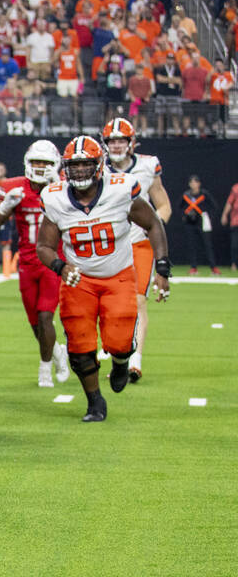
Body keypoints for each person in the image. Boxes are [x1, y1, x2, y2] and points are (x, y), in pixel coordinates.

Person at [36, 137, 171, 422]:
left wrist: (162, 266)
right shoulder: (55, 197)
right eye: (75, 165)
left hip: (118, 276)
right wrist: (60, 266)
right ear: (65, 168)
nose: (81, 171)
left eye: (87, 164)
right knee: (79, 346)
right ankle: (95, 401)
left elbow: (153, 224)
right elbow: (44, 247)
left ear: (99, 166)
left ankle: (122, 362)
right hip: (78, 281)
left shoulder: (121, 189)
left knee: (120, 342)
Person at [0, 141, 71, 388]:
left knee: (46, 316)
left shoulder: (65, 189)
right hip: (26, 263)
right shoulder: (14, 188)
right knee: (36, 322)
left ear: (55, 165)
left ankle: (44, 369)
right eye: (36, 162)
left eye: (45, 163)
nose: (40, 167)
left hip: (53, 262)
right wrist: (5, 207)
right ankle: (57, 353)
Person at [101, 119, 172, 382]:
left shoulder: (147, 165)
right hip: (110, 243)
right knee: (109, 300)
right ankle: (117, 345)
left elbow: (163, 205)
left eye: (121, 140)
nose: (117, 145)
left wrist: (152, 227)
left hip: (139, 242)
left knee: (138, 300)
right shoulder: (98, 167)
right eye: (112, 141)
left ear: (132, 142)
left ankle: (136, 360)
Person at [180, 175, 220, 275]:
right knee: (192, 245)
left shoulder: (204, 194)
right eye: (191, 182)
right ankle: (193, 267)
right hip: (190, 223)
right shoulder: (186, 195)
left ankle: (213, 267)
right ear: (189, 184)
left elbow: (214, 206)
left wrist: (208, 216)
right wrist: (185, 216)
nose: (193, 185)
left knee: (207, 245)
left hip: (202, 222)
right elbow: (179, 207)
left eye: (195, 182)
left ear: (199, 184)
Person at [222, 181, 238, 271]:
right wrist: (224, 215)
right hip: (236, 222)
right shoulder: (236, 188)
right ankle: (234, 264)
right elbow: (229, 202)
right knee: (235, 244)